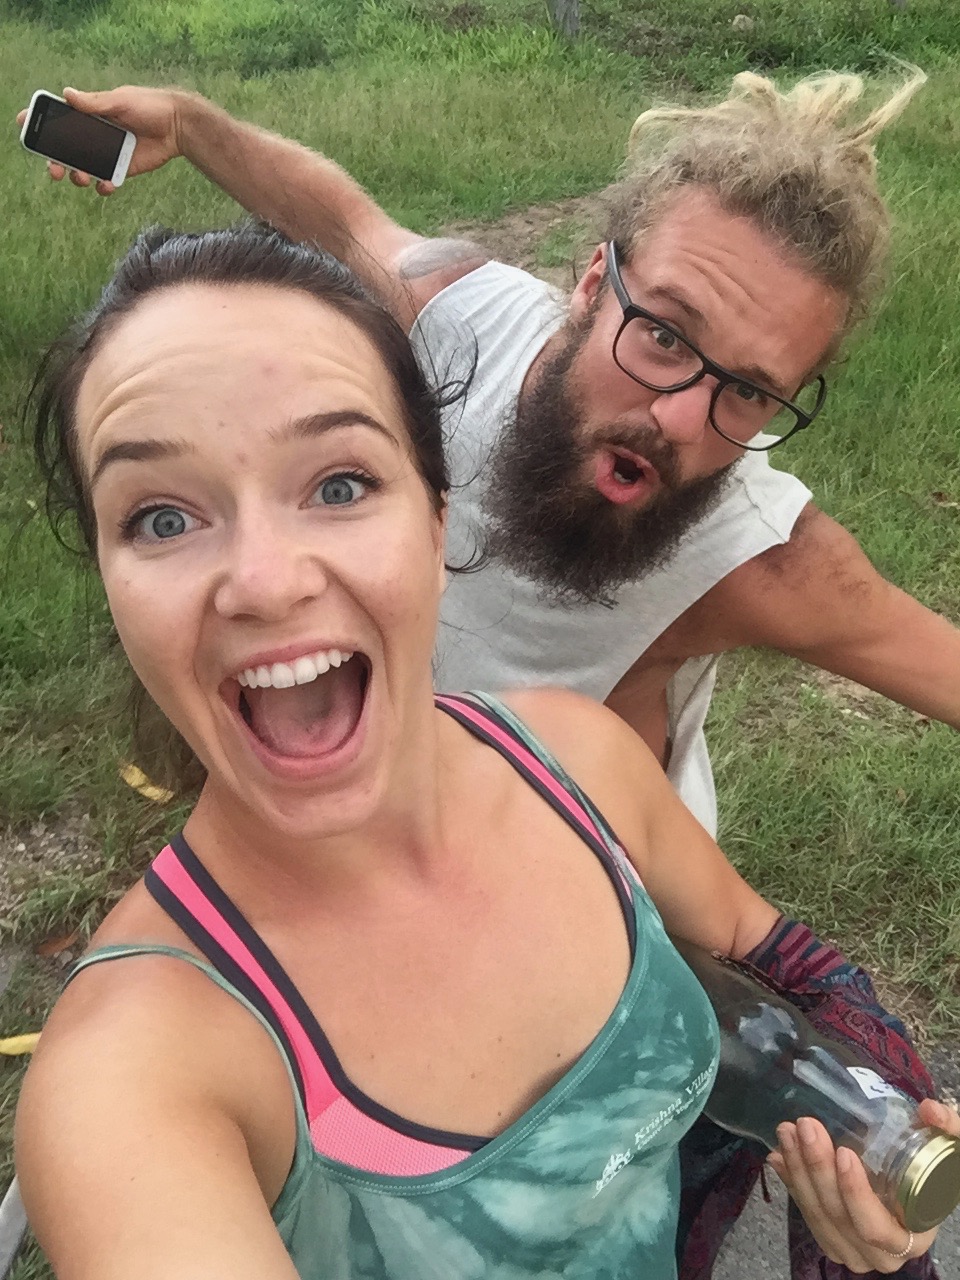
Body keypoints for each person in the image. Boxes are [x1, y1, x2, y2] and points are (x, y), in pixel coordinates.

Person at [15, 225, 957, 1280]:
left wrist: (881, 1152)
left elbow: (777, 965)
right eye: (160, 515)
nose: (267, 581)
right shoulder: (134, 1077)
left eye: (337, 484)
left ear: (436, 518)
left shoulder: (578, 763)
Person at [17, 68, 960, 835]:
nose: (680, 419)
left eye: (748, 392)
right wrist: (190, 123)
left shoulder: (761, 558)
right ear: (593, 281)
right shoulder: (467, 316)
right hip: (377, 808)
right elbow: (341, 219)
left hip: (607, 896)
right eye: (666, 336)